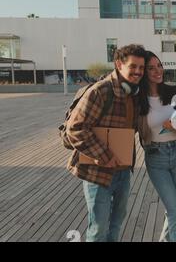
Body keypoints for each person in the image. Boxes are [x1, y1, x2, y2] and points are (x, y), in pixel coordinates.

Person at [66, 44, 146, 242]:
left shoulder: (133, 93)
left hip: (123, 171)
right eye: (133, 66)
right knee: (99, 229)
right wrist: (104, 155)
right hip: (97, 172)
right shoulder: (100, 91)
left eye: (141, 68)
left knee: (116, 224)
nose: (138, 72)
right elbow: (75, 129)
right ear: (119, 64)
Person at [137, 51, 176, 242]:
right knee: (175, 209)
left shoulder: (175, 92)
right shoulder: (137, 100)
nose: (157, 70)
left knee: (173, 208)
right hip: (156, 158)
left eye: (159, 65)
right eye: (151, 68)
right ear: (143, 72)